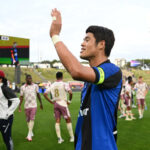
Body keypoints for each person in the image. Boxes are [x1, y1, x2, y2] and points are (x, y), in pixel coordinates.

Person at [49, 8, 122, 150]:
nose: (82, 43)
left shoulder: (112, 70)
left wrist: (55, 35)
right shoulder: (89, 82)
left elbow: (76, 70)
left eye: (87, 40)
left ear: (101, 44)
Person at [43, 72, 74, 144]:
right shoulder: (64, 84)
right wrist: (69, 101)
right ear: (62, 77)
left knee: (57, 121)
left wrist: (51, 101)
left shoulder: (52, 85)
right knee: (68, 120)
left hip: (56, 104)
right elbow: (71, 93)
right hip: (63, 103)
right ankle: (72, 137)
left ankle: (59, 139)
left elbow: (45, 94)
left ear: (56, 77)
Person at [18, 74, 43, 141]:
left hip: (33, 105)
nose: (30, 80)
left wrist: (41, 103)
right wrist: (19, 105)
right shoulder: (23, 87)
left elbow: (38, 95)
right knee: (28, 120)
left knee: (32, 119)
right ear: (26, 79)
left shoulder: (35, 86)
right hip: (26, 106)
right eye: (28, 79)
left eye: (31, 78)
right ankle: (31, 132)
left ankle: (29, 135)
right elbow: (21, 97)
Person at [0, 70, 19, 150]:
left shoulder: (4, 88)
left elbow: (16, 100)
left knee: (7, 139)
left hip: (5, 119)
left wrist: (7, 113)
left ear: (0, 79)